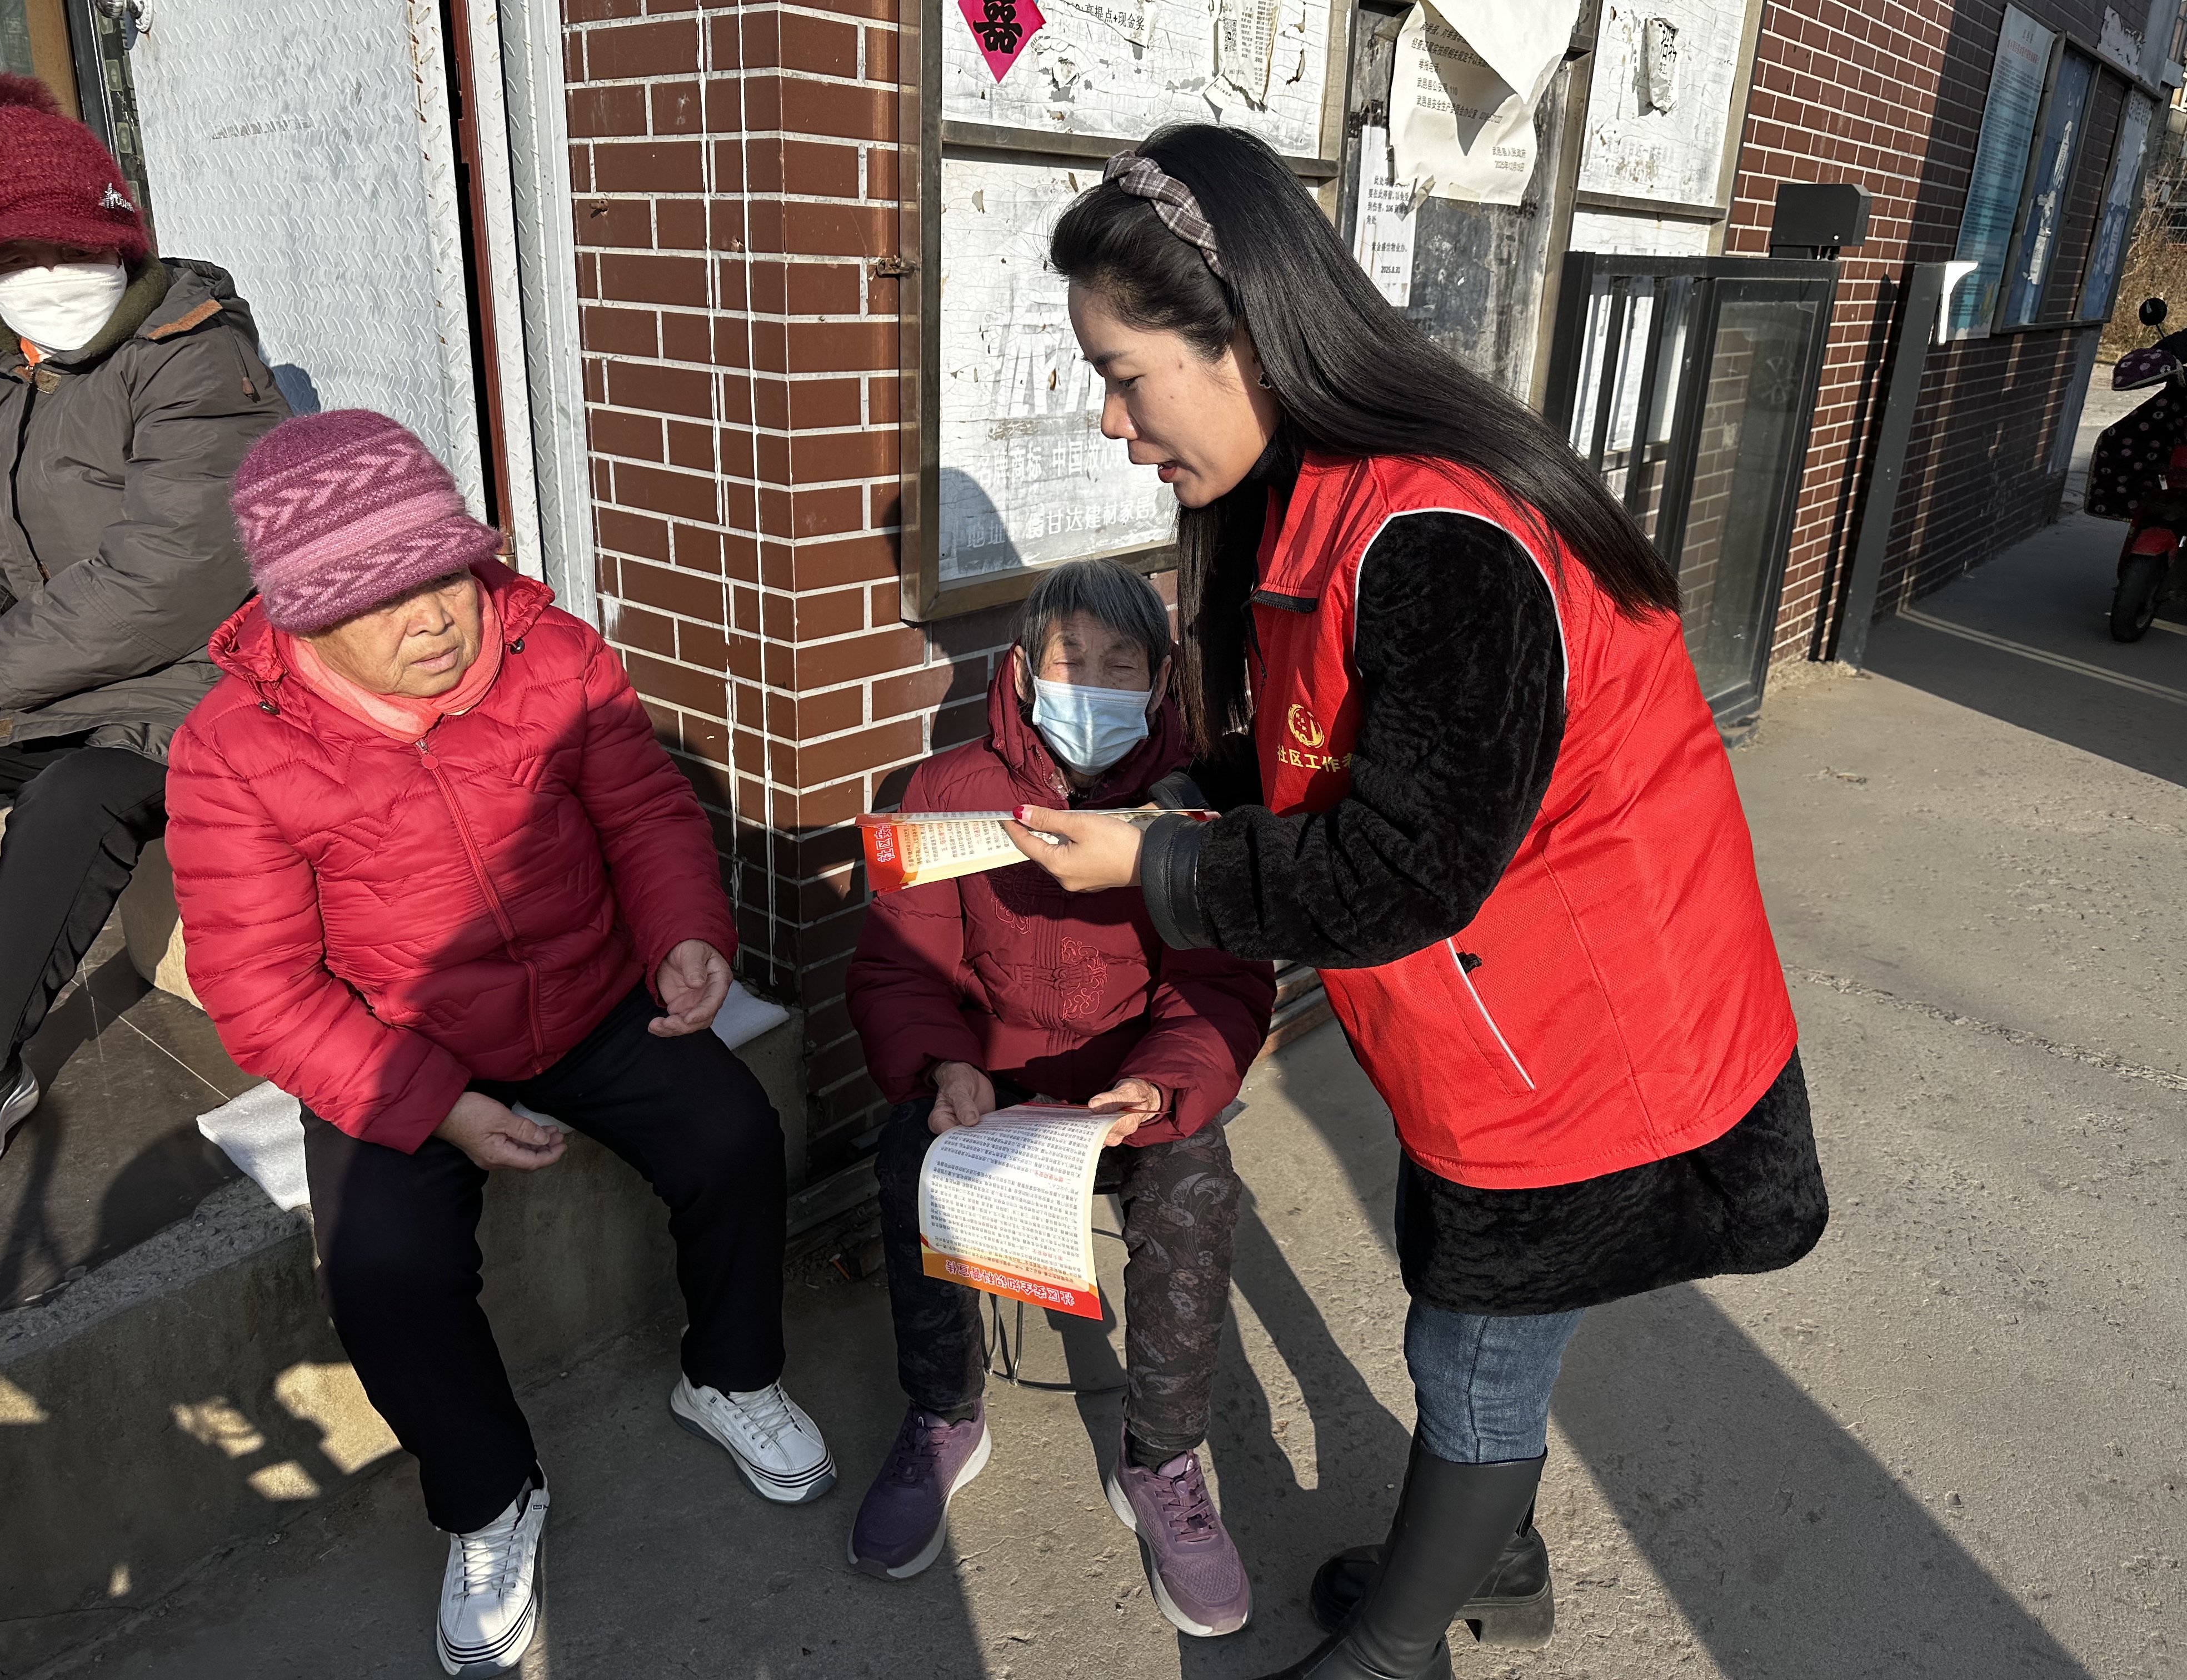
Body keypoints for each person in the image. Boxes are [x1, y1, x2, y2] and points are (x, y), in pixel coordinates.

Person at [1008, 128, 1829, 1680]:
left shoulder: (1440, 536)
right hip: (1497, 1019)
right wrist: (1187, 795)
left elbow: (1401, 867)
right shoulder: (1311, 501)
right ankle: (1488, 1551)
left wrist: (1158, 864)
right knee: (1465, 1314)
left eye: (1124, 377)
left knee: (1473, 1350)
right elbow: (1316, 744)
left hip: (1595, 1042)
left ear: (1243, 337)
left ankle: (1399, 1650)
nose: (1115, 425)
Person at [165, 410, 831, 1678]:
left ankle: (730, 1374)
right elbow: (259, 986)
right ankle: (489, 1496)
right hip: (395, 1042)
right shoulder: (232, 751)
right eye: (381, 598)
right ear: (305, 616)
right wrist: (436, 1104)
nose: (433, 617)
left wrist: (686, 933)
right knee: (383, 1270)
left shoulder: (550, 652)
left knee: (734, 1134)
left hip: (588, 996)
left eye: (444, 573)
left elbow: (644, 811)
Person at [843, 558, 1276, 1637]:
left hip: (1132, 1081)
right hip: (987, 1070)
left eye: (1121, 662)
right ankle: (943, 1415)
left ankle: (1162, 1460)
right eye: (1069, 658)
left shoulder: (1194, 805)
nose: (1092, 682)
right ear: (1024, 670)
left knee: (1193, 1184)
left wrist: (1160, 1085)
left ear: (1160, 677)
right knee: (908, 1158)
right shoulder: (944, 792)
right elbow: (901, 962)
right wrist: (945, 1065)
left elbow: (1221, 982)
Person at [0, 68, 288, 1180]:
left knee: (75, 796)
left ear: (117, 235)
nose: (48, 272)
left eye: (69, 242)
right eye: (11, 254)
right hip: (56, 676)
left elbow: (173, 574)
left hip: (191, 684)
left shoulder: (194, 351)